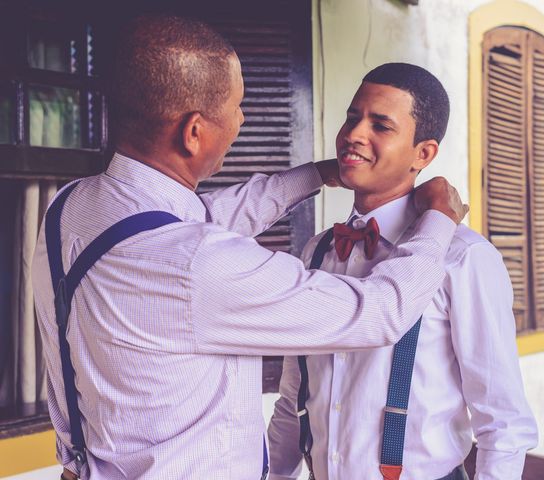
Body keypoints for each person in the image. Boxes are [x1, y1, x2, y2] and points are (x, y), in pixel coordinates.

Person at [31, 17, 467, 480]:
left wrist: (315, 174)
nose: (243, 120)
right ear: (193, 133)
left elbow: (191, 221)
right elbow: (379, 312)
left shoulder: (69, 208)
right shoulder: (198, 264)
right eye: (237, 107)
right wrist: (439, 218)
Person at [268, 63, 538, 480]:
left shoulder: (464, 258)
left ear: (423, 154)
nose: (354, 134)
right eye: (352, 117)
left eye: (381, 125)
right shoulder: (316, 251)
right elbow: (293, 399)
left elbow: (502, 421)